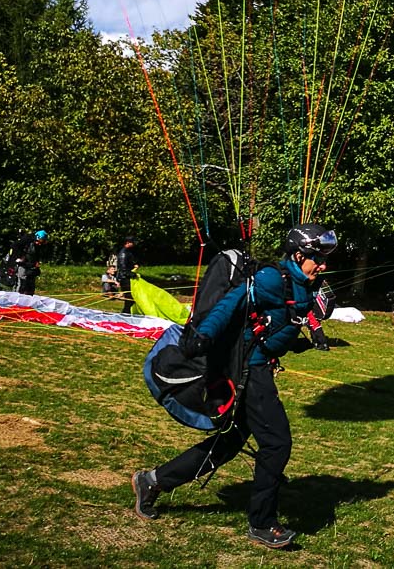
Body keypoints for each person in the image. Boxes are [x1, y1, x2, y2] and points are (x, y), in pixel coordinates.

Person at [131, 223, 338, 550]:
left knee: (230, 441)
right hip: (249, 371)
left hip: (261, 366)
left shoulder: (305, 284)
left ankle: (153, 481)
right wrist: (204, 335)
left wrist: (300, 342)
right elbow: (231, 302)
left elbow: (284, 321)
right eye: (318, 259)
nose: (323, 265)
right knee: (276, 443)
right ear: (298, 255)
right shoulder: (272, 278)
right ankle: (262, 523)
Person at [9, 230, 46, 295]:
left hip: (31, 266)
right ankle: (17, 297)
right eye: (39, 242)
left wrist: (37, 262)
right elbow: (14, 246)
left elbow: (37, 254)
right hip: (22, 264)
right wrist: (19, 257)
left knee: (31, 285)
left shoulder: (39, 245)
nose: (39, 244)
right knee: (22, 282)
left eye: (41, 242)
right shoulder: (26, 240)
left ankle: (29, 297)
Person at [116, 236, 139, 315]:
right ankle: (125, 313)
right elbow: (123, 268)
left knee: (131, 298)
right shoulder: (123, 253)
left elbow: (128, 264)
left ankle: (127, 313)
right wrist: (132, 274)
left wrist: (133, 266)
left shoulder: (128, 252)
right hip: (124, 278)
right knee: (129, 298)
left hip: (127, 277)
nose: (133, 244)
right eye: (132, 242)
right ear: (128, 242)